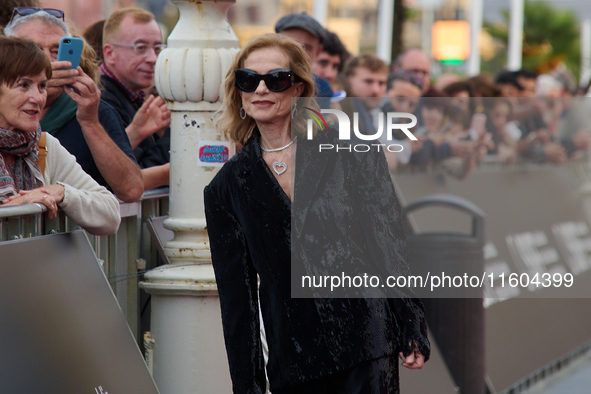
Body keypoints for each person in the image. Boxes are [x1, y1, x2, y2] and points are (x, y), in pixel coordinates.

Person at [204, 33, 429, 394]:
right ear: (239, 93)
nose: (261, 89)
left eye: (275, 79)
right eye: (249, 80)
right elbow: (237, 301)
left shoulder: (352, 152)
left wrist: (411, 320)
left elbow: (388, 244)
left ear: (296, 89)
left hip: (366, 338)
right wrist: (248, 386)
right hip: (294, 356)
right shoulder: (225, 188)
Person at [5, 8, 144, 202]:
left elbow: (131, 190)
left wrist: (91, 122)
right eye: (33, 50)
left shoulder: (92, 109)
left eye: (56, 51)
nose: (46, 59)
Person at [0, 36, 120, 236]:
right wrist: (17, 206)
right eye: (23, 85)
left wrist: (61, 192)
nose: (38, 98)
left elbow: (110, 215)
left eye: (42, 86)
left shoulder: (43, 145)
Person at [101, 7, 171, 190]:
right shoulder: (101, 101)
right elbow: (138, 173)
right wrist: (173, 134)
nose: (152, 58)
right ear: (110, 53)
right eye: (140, 48)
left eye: (157, 48)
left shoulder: (134, 96)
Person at [274, 12, 333, 108]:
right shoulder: (256, 80)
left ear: (318, 52)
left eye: (306, 48)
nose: (298, 54)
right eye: (290, 46)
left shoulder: (322, 88)